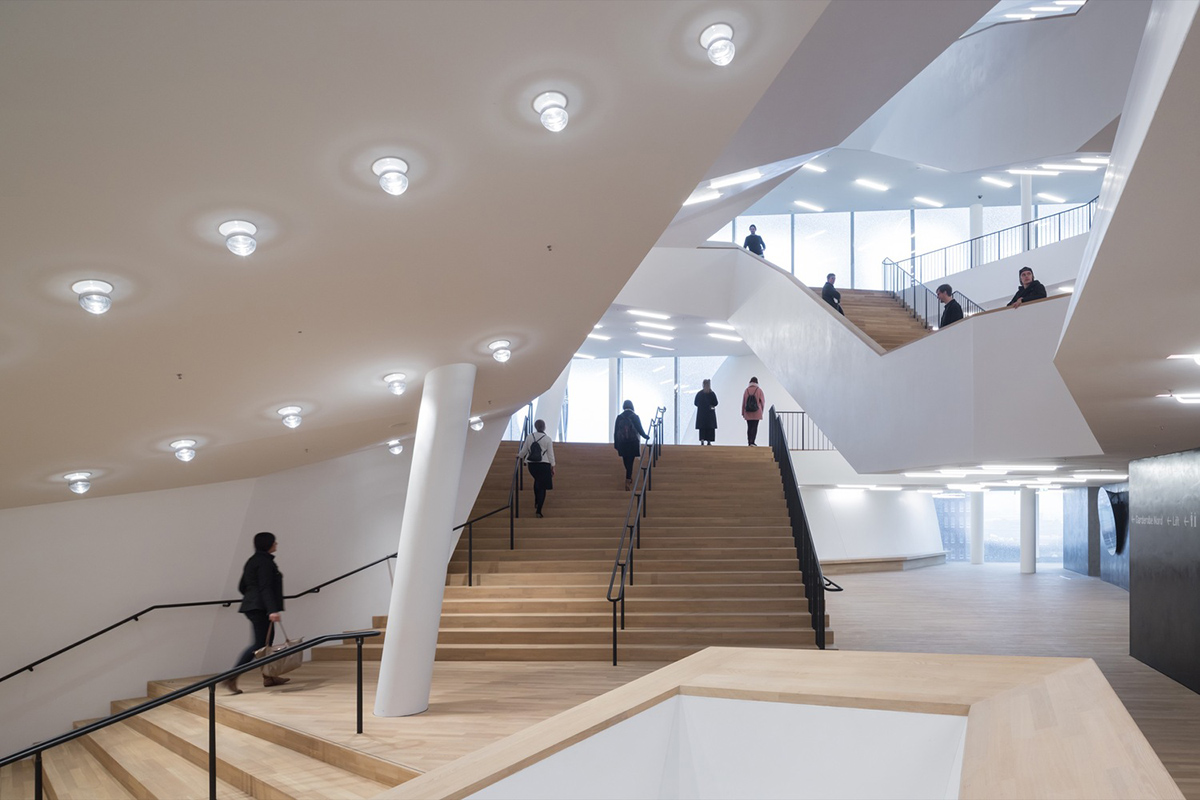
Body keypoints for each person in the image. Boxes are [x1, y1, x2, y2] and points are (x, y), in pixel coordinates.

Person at [226, 531, 285, 694]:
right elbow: (265, 587)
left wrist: (252, 597)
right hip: (261, 608)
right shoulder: (264, 562)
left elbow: (242, 586)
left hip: (254, 606)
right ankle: (231, 677)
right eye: (274, 542)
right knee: (259, 645)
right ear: (269, 544)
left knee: (265, 645)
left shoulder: (253, 561)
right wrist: (272, 610)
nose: (276, 544)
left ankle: (269, 677)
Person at [518, 419, 556, 518]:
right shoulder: (547, 439)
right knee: (542, 487)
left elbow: (524, 450)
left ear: (535, 426)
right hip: (544, 464)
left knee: (537, 480)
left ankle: (536, 501)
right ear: (544, 427)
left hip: (532, 465)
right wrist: (553, 466)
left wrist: (519, 456)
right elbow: (550, 454)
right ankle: (539, 510)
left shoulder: (530, 436)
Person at [613, 400, 649, 491]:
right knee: (630, 462)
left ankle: (628, 478)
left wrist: (616, 444)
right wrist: (646, 436)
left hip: (622, 443)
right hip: (633, 442)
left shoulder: (619, 417)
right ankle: (628, 479)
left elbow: (616, 431)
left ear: (624, 406)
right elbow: (640, 429)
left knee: (625, 461)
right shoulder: (635, 416)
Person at [742, 377, 765, 446]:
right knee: (754, 427)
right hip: (757, 412)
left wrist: (743, 412)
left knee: (749, 427)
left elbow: (744, 402)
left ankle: (749, 442)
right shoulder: (759, 390)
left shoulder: (746, 390)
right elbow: (763, 402)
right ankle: (753, 442)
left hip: (748, 412)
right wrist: (761, 411)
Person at [694, 379, 718, 445]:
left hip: (702, 414)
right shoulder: (712, 394)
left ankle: (702, 440)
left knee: (703, 428)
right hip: (709, 414)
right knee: (709, 428)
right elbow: (716, 403)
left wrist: (701, 406)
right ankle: (708, 441)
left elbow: (695, 403)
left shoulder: (699, 394)